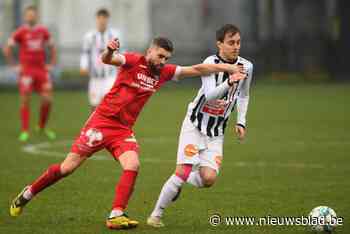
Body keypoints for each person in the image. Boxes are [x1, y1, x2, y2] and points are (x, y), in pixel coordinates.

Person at [9, 36, 246, 230]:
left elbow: (198, 68)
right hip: (101, 123)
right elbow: (108, 59)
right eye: (160, 56)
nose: (163, 61)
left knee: (132, 165)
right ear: (149, 51)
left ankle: (116, 214)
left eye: (166, 58)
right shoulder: (133, 61)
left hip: (122, 130)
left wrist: (227, 67)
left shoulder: (163, 73)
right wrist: (109, 51)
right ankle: (28, 193)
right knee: (67, 168)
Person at [147, 24, 254, 228]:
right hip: (195, 124)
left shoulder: (247, 66)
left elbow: (244, 95)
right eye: (231, 43)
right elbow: (211, 94)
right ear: (219, 44)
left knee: (209, 179)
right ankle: (156, 215)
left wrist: (241, 121)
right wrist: (230, 82)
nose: (236, 46)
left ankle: (178, 183)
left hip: (216, 131)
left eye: (238, 42)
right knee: (183, 170)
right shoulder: (210, 63)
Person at [2, 5, 57, 142]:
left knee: (48, 99)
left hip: (41, 71)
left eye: (33, 14)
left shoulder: (43, 31)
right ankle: (25, 130)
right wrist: (14, 66)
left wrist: (51, 64)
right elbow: (7, 49)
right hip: (26, 71)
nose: (31, 17)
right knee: (25, 99)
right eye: (29, 15)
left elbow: (52, 47)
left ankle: (41, 126)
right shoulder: (20, 32)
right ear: (25, 17)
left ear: (36, 16)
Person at [80, 8, 124, 110]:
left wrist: (122, 67)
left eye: (104, 18)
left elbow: (121, 52)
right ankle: (94, 126)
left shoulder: (114, 35)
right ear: (97, 19)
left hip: (110, 75)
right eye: (100, 18)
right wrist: (83, 66)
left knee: (109, 103)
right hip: (95, 76)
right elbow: (85, 53)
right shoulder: (89, 36)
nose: (102, 21)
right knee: (94, 106)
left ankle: (108, 126)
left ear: (107, 19)